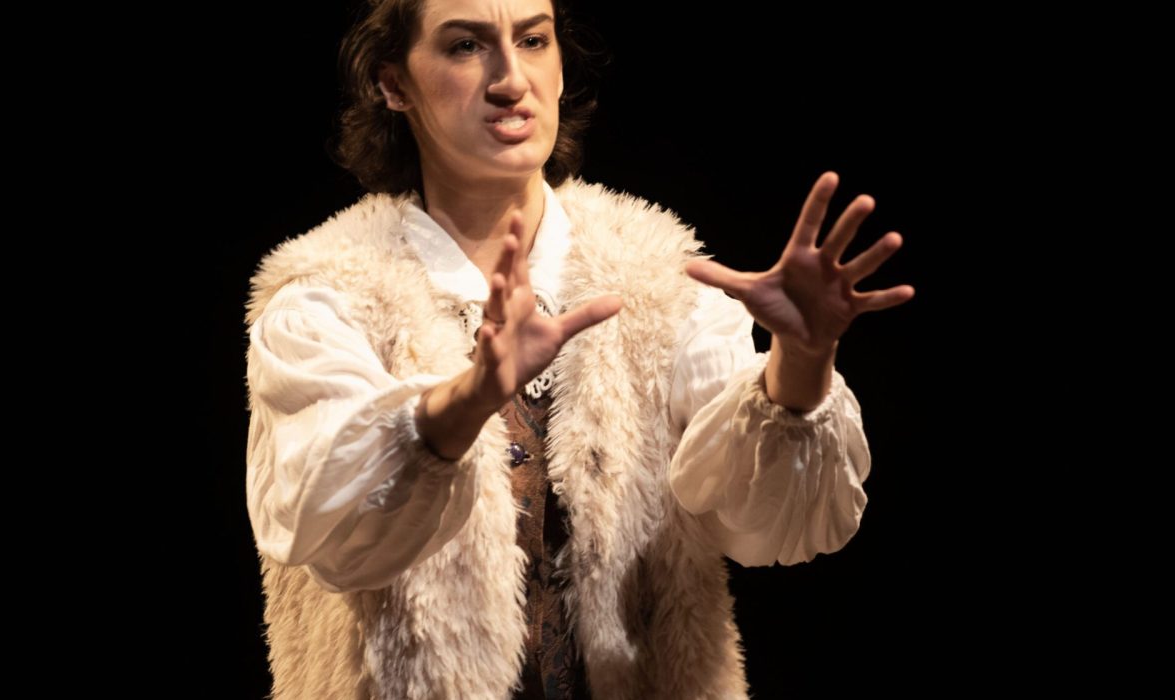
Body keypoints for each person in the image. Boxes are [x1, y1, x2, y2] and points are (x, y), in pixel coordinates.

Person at [244, 0, 915, 697]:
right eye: (466, 46)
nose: (510, 78)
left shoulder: (657, 276)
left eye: (533, 40)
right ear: (393, 84)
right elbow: (325, 524)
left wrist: (801, 363)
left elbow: (763, 526)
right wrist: (462, 403)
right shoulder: (328, 294)